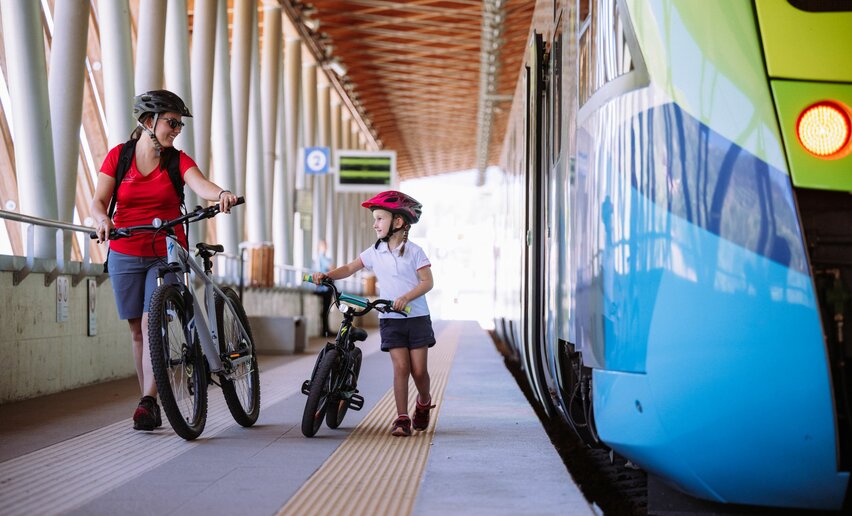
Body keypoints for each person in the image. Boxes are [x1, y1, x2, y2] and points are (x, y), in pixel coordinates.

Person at [91, 90, 239, 431]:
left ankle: (147, 400)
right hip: (126, 250)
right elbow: (99, 200)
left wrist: (222, 194)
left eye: (179, 124)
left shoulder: (177, 160)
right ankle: (150, 400)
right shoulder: (119, 157)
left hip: (165, 250)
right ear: (148, 122)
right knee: (136, 331)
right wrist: (101, 220)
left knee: (150, 323)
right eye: (171, 123)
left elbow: (200, 184)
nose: (176, 130)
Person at [312, 190, 435, 437]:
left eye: (380, 218)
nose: (374, 223)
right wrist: (327, 275)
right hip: (390, 319)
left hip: (417, 318)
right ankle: (401, 418)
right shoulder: (374, 251)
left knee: (419, 370)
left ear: (398, 222)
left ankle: (423, 400)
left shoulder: (415, 252)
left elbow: (427, 282)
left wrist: (406, 297)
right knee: (401, 367)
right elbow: (349, 267)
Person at [313, 239, 334, 335]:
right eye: (323, 245)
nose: (325, 247)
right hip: (324, 288)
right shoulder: (322, 258)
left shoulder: (320, 258)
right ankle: (325, 330)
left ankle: (325, 329)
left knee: (325, 310)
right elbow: (332, 267)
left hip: (322, 287)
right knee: (325, 310)